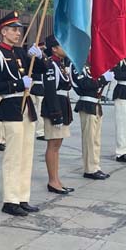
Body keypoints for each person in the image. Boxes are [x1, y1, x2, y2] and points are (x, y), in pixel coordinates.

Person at [0, 11, 45, 216]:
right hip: (11, 105)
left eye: (19, 30)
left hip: (26, 106)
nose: (18, 33)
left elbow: (41, 69)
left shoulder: (20, 52)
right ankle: (10, 200)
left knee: (26, 154)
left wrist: (39, 56)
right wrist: (19, 84)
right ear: (3, 32)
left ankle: (22, 197)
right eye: (13, 29)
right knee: (13, 155)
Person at [40, 35, 74, 194]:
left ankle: (56, 179)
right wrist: (56, 113)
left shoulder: (59, 63)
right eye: (62, 45)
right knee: (53, 146)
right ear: (54, 48)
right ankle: (52, 181)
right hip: (54, 107)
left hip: (62, 104)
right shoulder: (50, 64)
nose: (66, 48)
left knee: (57, 146)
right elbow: (50, 90)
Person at [73, 63, 112, 180]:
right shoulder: (77, 65)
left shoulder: (87, 66)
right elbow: (84, 84)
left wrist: (104, 78)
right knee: (89, 140)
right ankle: (90, 169)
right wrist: (102, 79)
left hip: (95, 104)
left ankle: (95, 166)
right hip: (87, 104)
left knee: (95, 140)